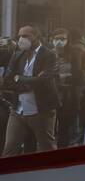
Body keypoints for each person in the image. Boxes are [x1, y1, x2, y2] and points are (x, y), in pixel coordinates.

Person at [0, 25, 60, 156]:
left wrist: (19, 78)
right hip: (18, 110)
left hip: (41, 110)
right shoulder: (18, 54)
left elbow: (45, 79)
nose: (21, 39)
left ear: (36, 37)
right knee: (9, 149)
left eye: (26, 36)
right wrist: (30, 81)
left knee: (47, 148)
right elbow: (8, 81)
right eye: (20, 36)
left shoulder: (49, 55)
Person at [50, 27, 85, 148]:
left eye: (62, 39)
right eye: (57, 39)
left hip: (69, 95)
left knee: (68, 124)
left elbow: (79, 75)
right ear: (52, 40)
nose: (59, 41)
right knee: (52, 126)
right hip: (53, 93)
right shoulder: (48, 54)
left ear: (67, 40)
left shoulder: (74, 54)